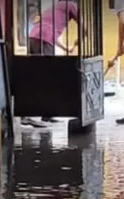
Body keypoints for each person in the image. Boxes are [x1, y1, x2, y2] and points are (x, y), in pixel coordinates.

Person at [22, 0, 79, 128]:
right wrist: (82, 37)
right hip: (43, 41)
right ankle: (29, 116)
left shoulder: (54, 8)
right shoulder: (70, 5)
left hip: (34, 38)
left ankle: (45, 114)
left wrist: (66, 48)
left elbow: (49, 33)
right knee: (47, 76)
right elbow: (84, 25)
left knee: (39, 75)